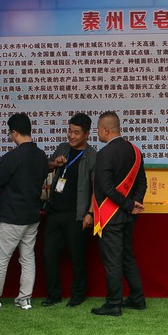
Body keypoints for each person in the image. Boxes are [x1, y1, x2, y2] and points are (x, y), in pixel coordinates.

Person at [0, 113, 48, 310]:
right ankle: (25, 298)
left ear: (14, 133)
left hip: (12, 216)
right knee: (28, 258)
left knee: (0, 260)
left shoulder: (12, 156)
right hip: (32, 214)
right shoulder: (40, 155)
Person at [90, 111, 147, 317]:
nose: (97, 133)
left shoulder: (104, 154)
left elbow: (106, 188)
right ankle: (137, 299)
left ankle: (113, 303)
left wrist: (128, 204)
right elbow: (142, 183)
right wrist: (134, 204)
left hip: (111, 217)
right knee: (127, 257)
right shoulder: (135, 151)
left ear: (106, 129)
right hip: (128, 216)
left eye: (98, 129)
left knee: (113, 261)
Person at [43, 113, 97, 308]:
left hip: (76, 214)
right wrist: (54, 163)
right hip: (55, 211)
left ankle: (78, 294)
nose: (71, 136)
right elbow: (47, 167)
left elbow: (96, 188)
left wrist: (90, 213)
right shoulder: (63, 148)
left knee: (77, 256)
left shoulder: (92, 156)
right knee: (49, 254)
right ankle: (54, 294)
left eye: (76, 132)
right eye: (69, 131)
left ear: (86, 134)